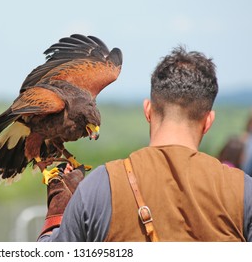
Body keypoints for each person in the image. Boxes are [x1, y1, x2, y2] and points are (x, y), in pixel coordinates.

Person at [37, 46, 252, 242]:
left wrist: (58, 214)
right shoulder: (243, 191)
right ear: (208, 122)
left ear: (147, 111)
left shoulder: (100, 187)